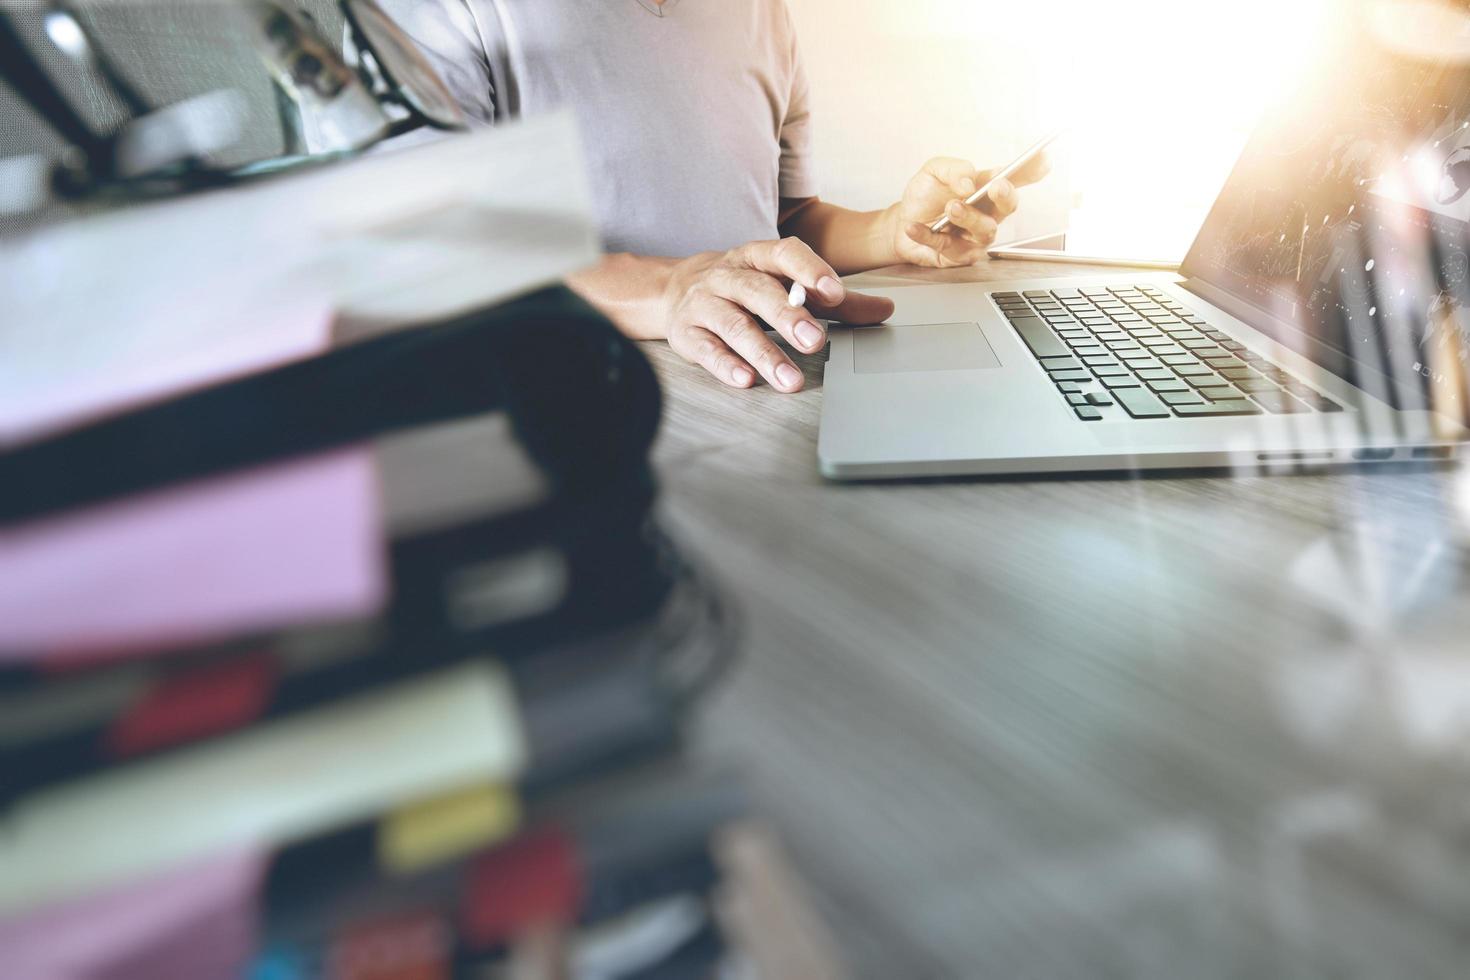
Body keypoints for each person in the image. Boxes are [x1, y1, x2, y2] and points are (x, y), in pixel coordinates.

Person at [376, 0, 1045, 392]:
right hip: (574, 394)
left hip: (765, 380)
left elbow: (781, 219)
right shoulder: (429, 13)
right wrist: (671, 289)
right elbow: (430, 245)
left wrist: (895, 231)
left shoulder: (760, 11)